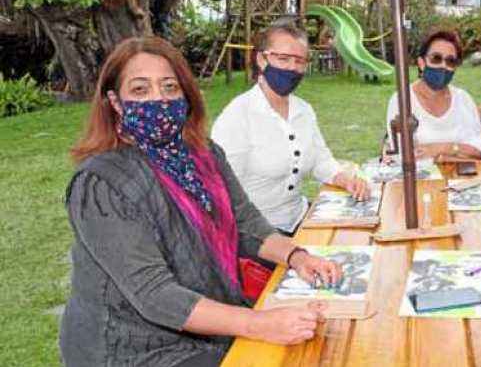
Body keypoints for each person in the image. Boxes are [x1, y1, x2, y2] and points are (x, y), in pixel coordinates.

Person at [61, 37, 343, 367]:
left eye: (170, 87)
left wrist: (296, 256)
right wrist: (258, 324)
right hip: (133, 349)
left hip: (209, 322)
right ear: (115, 101)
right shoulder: (102, 183)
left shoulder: (203, 153)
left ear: (186, 94)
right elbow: (154, 293)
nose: (159, 99)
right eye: (140, 90)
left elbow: (244, 221)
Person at [211, 24, 368, 234]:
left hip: (301, 219)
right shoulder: (237, 117)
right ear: (262, 59)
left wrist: (345, 179)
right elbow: (223, 192)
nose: (292, 68)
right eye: (283, 59)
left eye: (300, 61)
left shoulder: (303, 110)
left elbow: (321, 160)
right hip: (255, 234)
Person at [385, 29, 481, 160]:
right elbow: (403, 155)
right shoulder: (402, 100)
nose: (443, 66)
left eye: (450, 61)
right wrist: (457, 151)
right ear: (421, 63)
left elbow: (480, 151)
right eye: (436, 58)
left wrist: (442, 148)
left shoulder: (463, 99)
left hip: (461, 178)